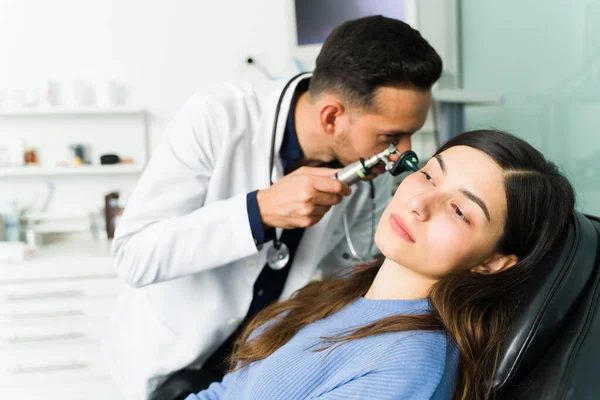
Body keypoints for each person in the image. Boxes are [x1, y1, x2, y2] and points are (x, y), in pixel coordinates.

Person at [102, 16, 443, 400]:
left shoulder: (369, 173)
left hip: (256, 370)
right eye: (391, 136)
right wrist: (257, 212)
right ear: (332, 116)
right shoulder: (218, 117)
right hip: (170, 357)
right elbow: (133, 255)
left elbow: (345, 275)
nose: (404, 152)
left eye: (410, 133)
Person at [182, 129, 576, 400]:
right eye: (427, 176)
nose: (419, 204)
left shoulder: (407, 367)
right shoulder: (339, 292)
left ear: (493, 262)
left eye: (458, 210)